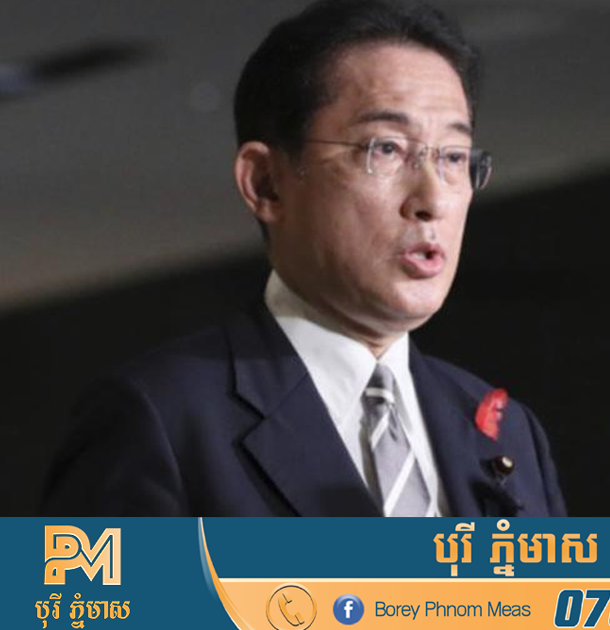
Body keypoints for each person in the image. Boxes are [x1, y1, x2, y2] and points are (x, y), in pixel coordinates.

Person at [41, 0, 567, 517]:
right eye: (385, 149)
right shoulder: (159, 418)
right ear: (266, 183)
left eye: (453, 156)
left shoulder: (507, 434)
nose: (433, 199)